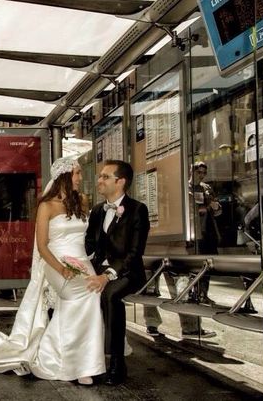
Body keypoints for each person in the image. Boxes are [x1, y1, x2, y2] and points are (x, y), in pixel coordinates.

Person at [0, 157, 106, 385]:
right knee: (80, 298)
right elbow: (42, 246)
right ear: (64, 176)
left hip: (82, 262)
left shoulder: (81, 202)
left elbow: (86, 238)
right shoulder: (46, 206)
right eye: (77, 173)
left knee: (91, 295)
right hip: (56, 263)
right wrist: (62, 268)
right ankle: (76, 364)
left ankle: (73, 361)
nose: (81, 178)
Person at [85, 160, 150, 386]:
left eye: (105, 176)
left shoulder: (138, 210)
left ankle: (116, 362)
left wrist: (108, 275)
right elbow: (90, 245)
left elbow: (134, 252)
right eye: (100, 176)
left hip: (128, 273)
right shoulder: (97, 211)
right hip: (100, 269)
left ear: (120, 181)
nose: (99, 180)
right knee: (78, 293)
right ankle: (84, 360)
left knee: (110, 295)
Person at [189, 161, 221, 305]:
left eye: (204, 173)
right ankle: (193, 293)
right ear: (192, 171)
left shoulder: (207, 188)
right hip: (194, 232)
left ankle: (203, 293)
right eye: (199, 172)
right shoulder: (186, 188)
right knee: (195, 265)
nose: (201, 175)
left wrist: (216, 207)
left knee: (208, 264)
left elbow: (219, 210)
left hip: (208, 231)